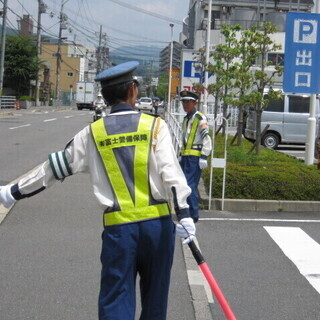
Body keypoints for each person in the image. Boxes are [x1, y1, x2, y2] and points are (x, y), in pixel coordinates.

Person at [0, 61, 196, 320]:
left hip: (119, 231)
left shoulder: (92, 133)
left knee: (115, 302)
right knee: (155, 303)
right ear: (133, 91)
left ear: (105, 97)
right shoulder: (155, 126)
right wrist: (184, 213)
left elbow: (54, 167)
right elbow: (171, 175)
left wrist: (12, 191)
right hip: (157, 228)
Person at [179, 90, 212, 223]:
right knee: (184, 184)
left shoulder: (199, 118)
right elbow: (185, 139)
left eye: (188, 102)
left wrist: (204, 156)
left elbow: (206, 138)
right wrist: (180, 155)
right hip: (186, 157)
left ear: (195, 103)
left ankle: (193, 213)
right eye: (184, 102)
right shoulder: (186, 118)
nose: (185, 104)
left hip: (194, 158)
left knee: (189, 185)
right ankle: (188, 212)